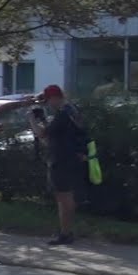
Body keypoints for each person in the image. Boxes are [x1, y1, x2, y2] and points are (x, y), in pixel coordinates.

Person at [28, 84, 88, 246]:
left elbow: (42, 134)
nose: (47, 104)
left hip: (61, 160)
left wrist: (32, 119)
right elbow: (55, 135)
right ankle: (66, 231)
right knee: (66, 196)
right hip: (72, 158)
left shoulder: (63, 115)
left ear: (55, 98)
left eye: (48, 100)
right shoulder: (72, 111)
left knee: (63, 197)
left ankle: (66, 233)